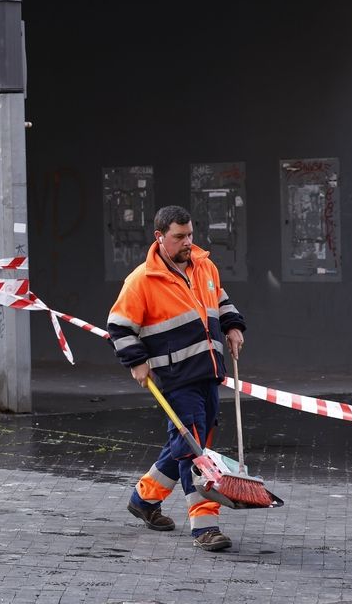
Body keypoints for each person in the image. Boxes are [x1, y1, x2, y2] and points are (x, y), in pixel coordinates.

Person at [107, 205, 246, 552]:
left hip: (209, 372)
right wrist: (137, 362)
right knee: (194, 451)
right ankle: (205, 526)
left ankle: (144, 499)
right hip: (175, 379)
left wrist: (232, 326)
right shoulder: (142, 280)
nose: (187, 242)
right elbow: (119, 327)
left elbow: (220, 298)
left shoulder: (205, 266)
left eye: (190, 235)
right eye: (179, 236)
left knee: (188, 444)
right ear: (160, 237)